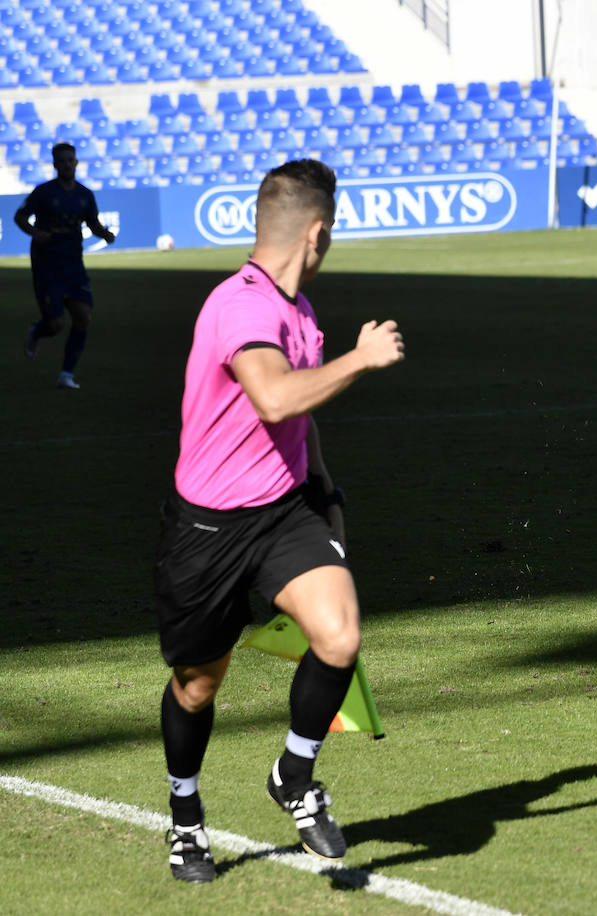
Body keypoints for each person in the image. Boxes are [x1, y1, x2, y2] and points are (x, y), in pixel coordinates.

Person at [155, 159, 405, 882]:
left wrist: (325, 494)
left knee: (339, 632)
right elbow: (271, 397)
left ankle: (293, 775)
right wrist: (361, 358)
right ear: (317, 231)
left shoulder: (295, 309)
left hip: (282, 510)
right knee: (199, 684)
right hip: (207, 528)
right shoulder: (243, 306)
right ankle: (185, 820)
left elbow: (296, 419)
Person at [16, 142, 116, 389]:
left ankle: (66, 375)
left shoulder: (84, 195)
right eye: (62, 161)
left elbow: (92, 224)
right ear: (54, 164)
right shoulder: (43, 192)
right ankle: (37, 331)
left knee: (83, 318)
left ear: (77, 162)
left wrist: (104, 233)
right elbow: (19, 216)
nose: (67, 164)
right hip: (46, 265)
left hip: (73, 264)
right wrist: (34, 232)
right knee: (55, 324)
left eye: (70, 160)